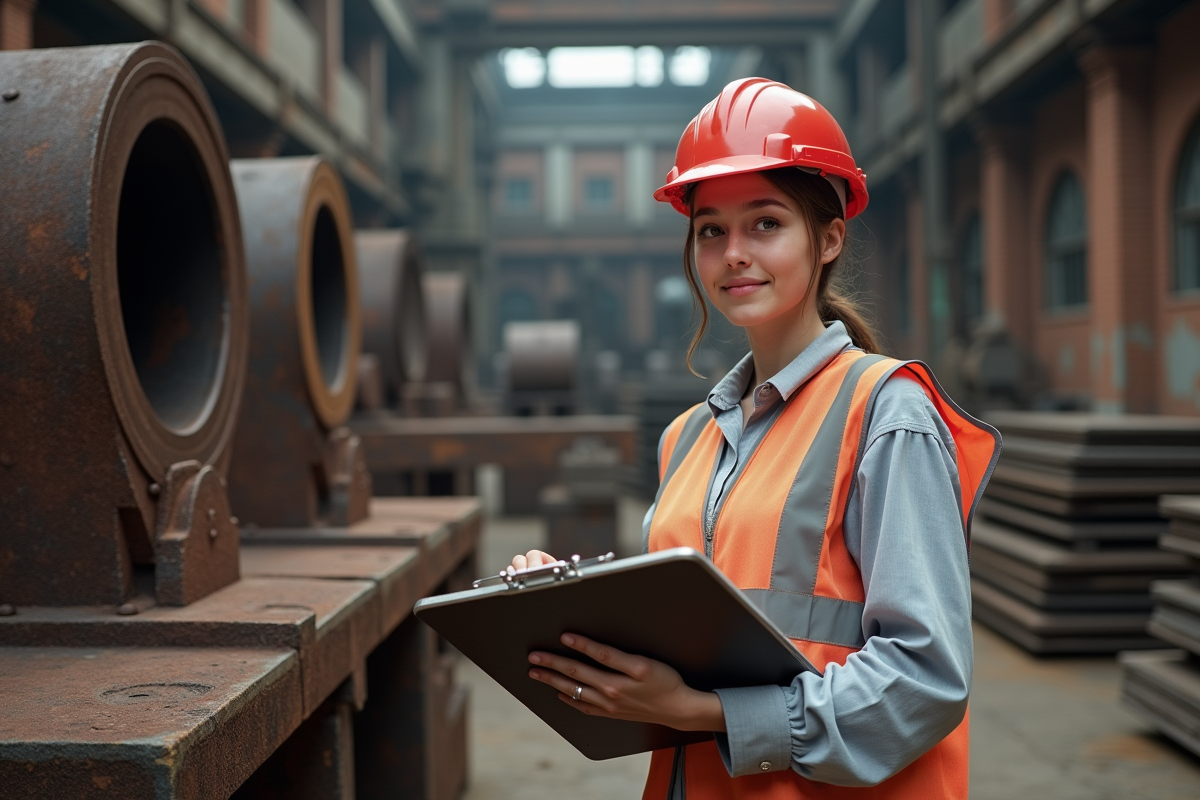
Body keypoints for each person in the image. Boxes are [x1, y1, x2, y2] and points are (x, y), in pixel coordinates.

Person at [509, 77, 1000, 799]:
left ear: (829, 237)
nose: (733, 252)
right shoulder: (687, 438)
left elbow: (923, 679)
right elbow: (696, 620)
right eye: (712, 230)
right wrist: (567, 607)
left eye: (765, 223)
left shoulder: (886, 414)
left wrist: (707, 713)